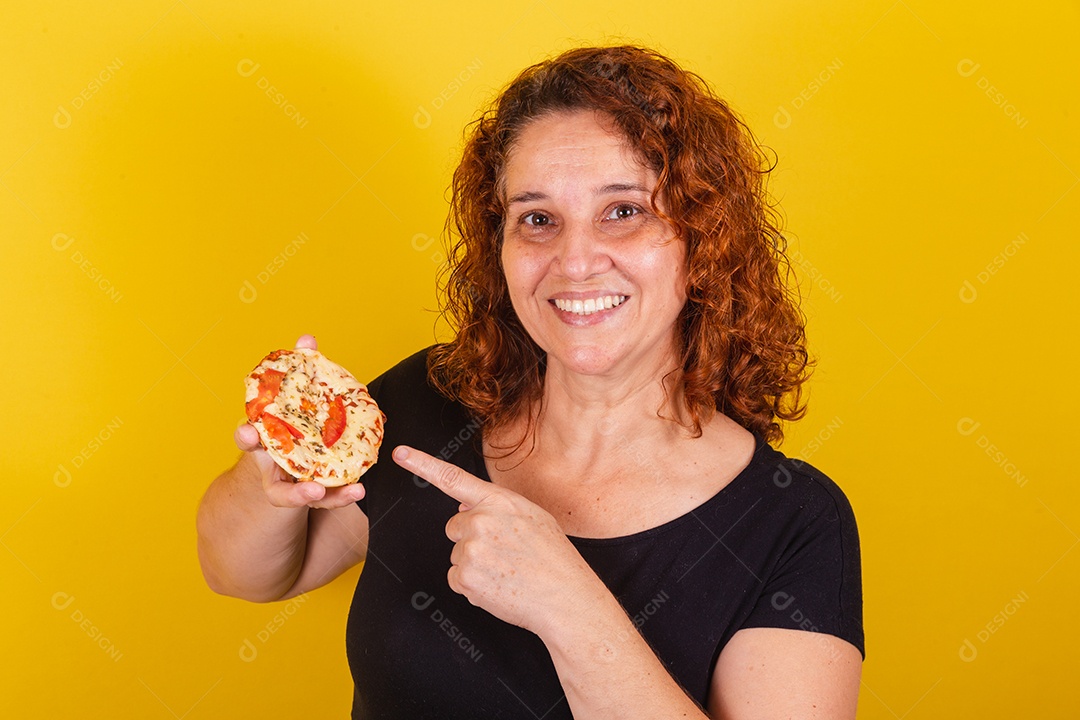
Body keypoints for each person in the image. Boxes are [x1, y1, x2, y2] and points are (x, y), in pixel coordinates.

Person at [197, 44, 864, 719]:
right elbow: (242, 574)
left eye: (623, 211)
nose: (574, 261)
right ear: (502, 247)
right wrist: (271, 477)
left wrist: (571, 607)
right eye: (537, 219)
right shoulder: (426, 403)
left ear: (703, 241)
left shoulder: (794, 522)